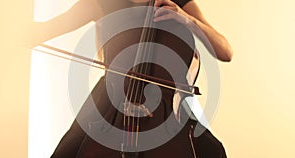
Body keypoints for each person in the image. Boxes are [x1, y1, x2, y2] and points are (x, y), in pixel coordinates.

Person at [29, 0, 233, 157]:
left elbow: (225, 52)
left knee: (212, 151)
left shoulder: (176, 2)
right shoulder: (101, 2)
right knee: (68, 152)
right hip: (111, 98)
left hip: (166, 103)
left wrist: (187, 19)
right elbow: (40, 32)